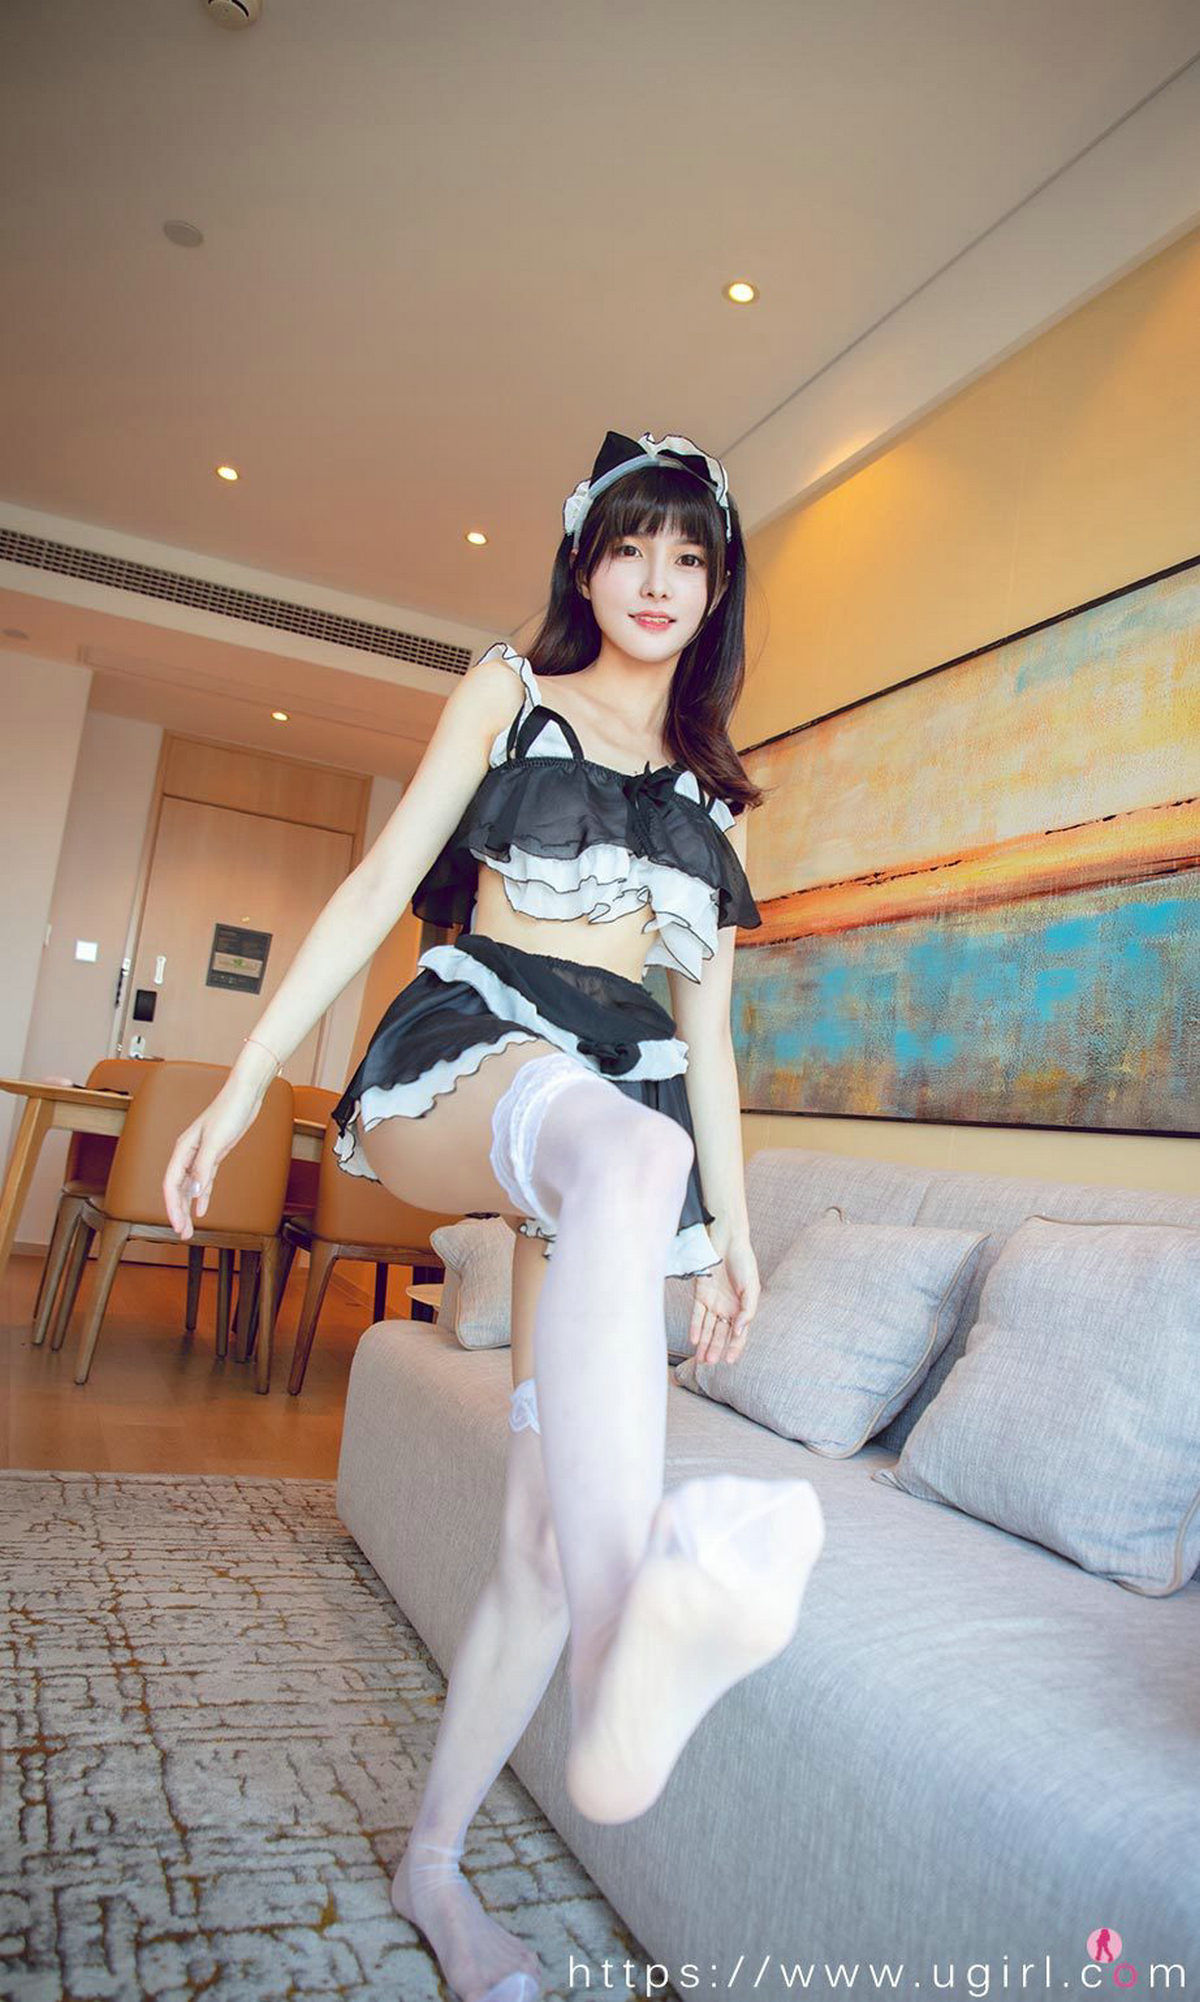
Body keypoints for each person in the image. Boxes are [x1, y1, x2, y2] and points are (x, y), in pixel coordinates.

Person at [163, 428, 826, 2002]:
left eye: (687, 558)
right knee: (628, 1156)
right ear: (583, 565)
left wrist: (736, 1239)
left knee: (541, 1522)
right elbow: (379, 878)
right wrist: (247, 1080)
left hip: (602, 1129)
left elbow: (710, 1040)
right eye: (628, 547)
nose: (654, 581)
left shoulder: (714, 802)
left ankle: (436, 1866)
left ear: (718, 588)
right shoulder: (508, 693)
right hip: (469, 1062)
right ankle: (620, 1657)